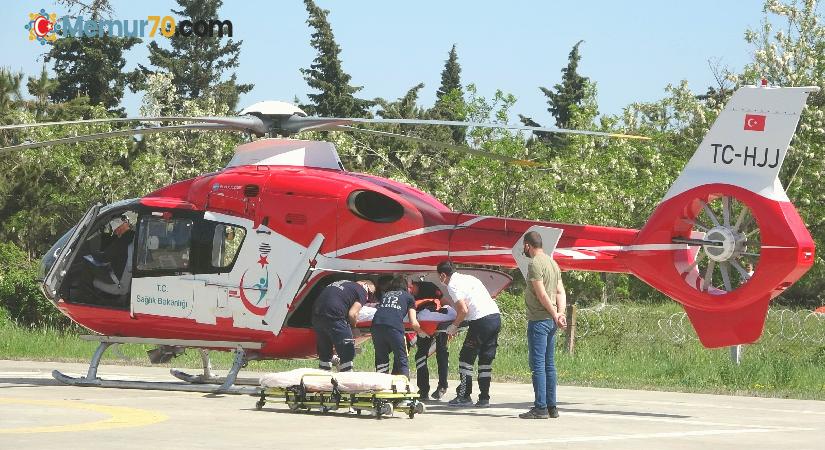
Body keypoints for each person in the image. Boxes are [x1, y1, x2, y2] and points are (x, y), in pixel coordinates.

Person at [437, 261, 501, 408]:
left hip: (480, 321)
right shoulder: (470, 278)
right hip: (495, 317)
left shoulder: (452, 284)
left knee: (466, 358)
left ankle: (464, 395)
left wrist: (454, 326)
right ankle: (484, 398)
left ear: (442, 275)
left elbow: (463, 310)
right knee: (485, 360)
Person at [518, 231, 567, 419]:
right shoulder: (552, 263)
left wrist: (555, 314)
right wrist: (560, 314)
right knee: (549, 365)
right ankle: (551, 406)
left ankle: (540, 408)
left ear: (527, 245)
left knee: (538, 365)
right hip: (551, 321)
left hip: (539, 320)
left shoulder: (535, 264)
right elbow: (560, 292)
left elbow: (542, 295)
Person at [312, 279, 375, 372]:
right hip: (334, 315)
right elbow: (352, 314)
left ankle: (323, 377)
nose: (368, 297)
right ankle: (347, 376)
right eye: (370, 294)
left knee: (325, 353)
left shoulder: (342, 284)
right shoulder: (361, 290)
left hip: (316, 315)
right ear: (365, 285)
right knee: (347, 349)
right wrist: (354, 328)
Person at [372, 275, 422, 377]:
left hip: (376, 325)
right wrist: (422, 332)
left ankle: (381, 385)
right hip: (394, 326)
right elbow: (413, 322)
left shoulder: (386, 295)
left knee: (381, 358)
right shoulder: (409, 297)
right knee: (401, 358)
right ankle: (405, 387)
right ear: (405, 287)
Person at [410, 281, 450, 401]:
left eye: (411, 288)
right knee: (420, 355)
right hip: (423, 325)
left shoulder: (430, 287)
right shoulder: (409, 294)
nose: (411, 291)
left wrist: (450, 321)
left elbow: (445, 303)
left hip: (438, 322)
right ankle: (423, 390)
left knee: (442, 352)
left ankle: (442, 386)